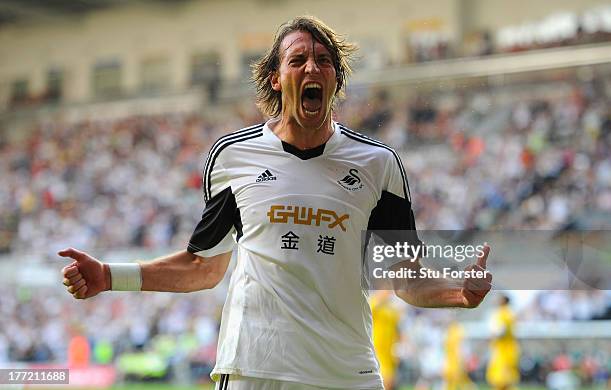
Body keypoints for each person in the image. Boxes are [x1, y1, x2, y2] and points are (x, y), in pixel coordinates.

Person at [60, 16, 492, 390]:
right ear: (276, 77)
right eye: (298, 59)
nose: (312, 67)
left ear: (335, 81)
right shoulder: (233, 157)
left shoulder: (379, 166)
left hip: (346, 372)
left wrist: (459, 291)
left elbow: (406, 276)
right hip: (255, 367)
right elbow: (204, 266)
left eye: (324, 61)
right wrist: (109, 276)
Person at [486, 295, 520, 390]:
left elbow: (501, 331)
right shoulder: (511, 314)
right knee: (508, 380)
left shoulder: (502, 314)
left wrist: (492, 337)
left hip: (503, 350)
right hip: (510, 349)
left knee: (500, 380)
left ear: (503, 301)